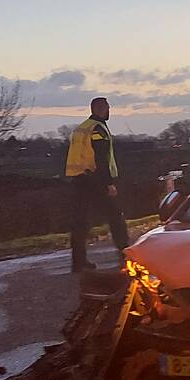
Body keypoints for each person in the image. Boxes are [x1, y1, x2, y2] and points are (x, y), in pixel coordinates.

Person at [65, 97, 129, 272]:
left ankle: (78, 262)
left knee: (80, 222)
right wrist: (108, 183)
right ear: (101, 109)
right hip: (95, 180)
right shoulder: (97, 129)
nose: (109, 111)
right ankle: (126, 254)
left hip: (78, 179)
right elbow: (101, 158)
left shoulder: (81, 128)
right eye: (108, 108)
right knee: (116, 216)